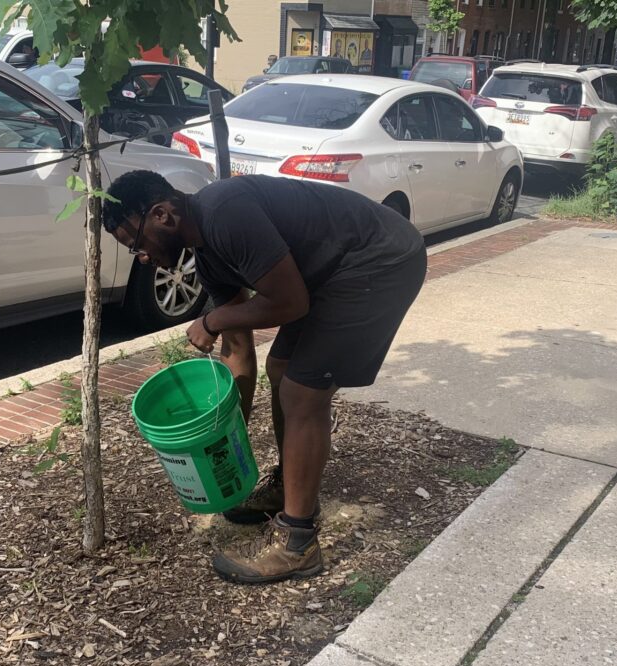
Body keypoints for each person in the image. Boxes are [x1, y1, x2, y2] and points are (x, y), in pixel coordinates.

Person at [102, 173, 427, 584]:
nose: (141, 256)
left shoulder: (225, 214)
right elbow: (238, 349)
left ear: (163, 215)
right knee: (280, 369)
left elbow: (289, 302)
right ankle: (287, 485)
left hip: (379, 262)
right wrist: (219, 434)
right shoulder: (207, 255)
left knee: (303, 391)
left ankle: (298, 544)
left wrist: (212, 319)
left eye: (136, 243)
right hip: (332, 272)